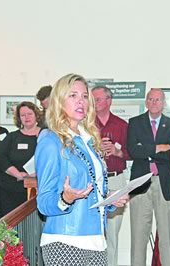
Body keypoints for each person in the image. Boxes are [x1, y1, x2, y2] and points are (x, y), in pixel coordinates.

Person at [35, 73, 128, 266]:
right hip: (66, 241)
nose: (81, 101)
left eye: (85, 96)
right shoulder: (51, 141)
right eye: (73, 95)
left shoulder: (88, 140)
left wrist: (110, 198)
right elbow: (43, 203)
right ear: (59, 101)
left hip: (96, 239)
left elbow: (91, 189)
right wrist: (65, 198)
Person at [127, 88, 170, 266]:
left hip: (165, 183)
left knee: (167, 236)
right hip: (141, 183)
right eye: (150, 99)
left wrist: (147, 150)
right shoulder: (134, 123)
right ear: (146, 102)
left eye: (158, 100)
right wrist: (159, 148)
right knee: (138, 236)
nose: (154, 103)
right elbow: (134, 151)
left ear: (164, 103)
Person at [92, 85, 130, 266]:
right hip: (94, 182)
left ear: (109, 101)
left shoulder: (122, 125)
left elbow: (131, 153)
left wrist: (117, 152)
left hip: (116, 179)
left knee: (113, 232)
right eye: (92, 99)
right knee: (94, 232)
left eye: (98, 99)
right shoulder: (86, 125)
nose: (94, 103)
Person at [0, 101, 41, 216]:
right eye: (23, 115)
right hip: (12, 189)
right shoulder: (12, 137)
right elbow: (1, 157)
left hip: (39, 188)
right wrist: (17, 174)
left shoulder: (46, 135)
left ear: (36, 114)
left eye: (29, 113)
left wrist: (37, 173)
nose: (26, 117)